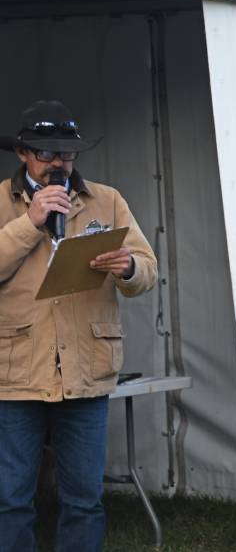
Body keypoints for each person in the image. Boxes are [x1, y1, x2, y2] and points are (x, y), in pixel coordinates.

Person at [0, 100, 158, 552]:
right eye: (47, 153)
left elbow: (148, 270)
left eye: (66, 154)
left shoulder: (106, 200)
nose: (58, 163)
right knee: (10, 500)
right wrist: (30, 223)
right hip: (14, 375)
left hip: (85, 372)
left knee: (84, 500)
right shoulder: (1, 201)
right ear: (22, 154)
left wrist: (128, 267)